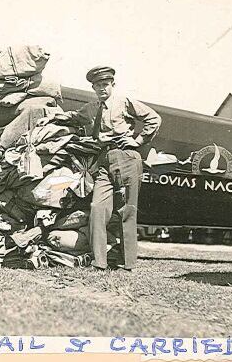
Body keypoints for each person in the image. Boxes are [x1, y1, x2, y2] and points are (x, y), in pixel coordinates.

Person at [38, 66, 161, 271]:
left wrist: (138, 141)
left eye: (105, 84)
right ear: (93, 88)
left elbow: (153, 118)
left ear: (113, 84)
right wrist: (50, 117)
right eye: (98, 85)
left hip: (126, 157)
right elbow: (73, 117)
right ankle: (99, 261)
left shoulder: (124, 102)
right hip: (103, 160)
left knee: (126, 210)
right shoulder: (92, 107)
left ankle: (127, 262)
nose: (102, 88)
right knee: (97, 208)